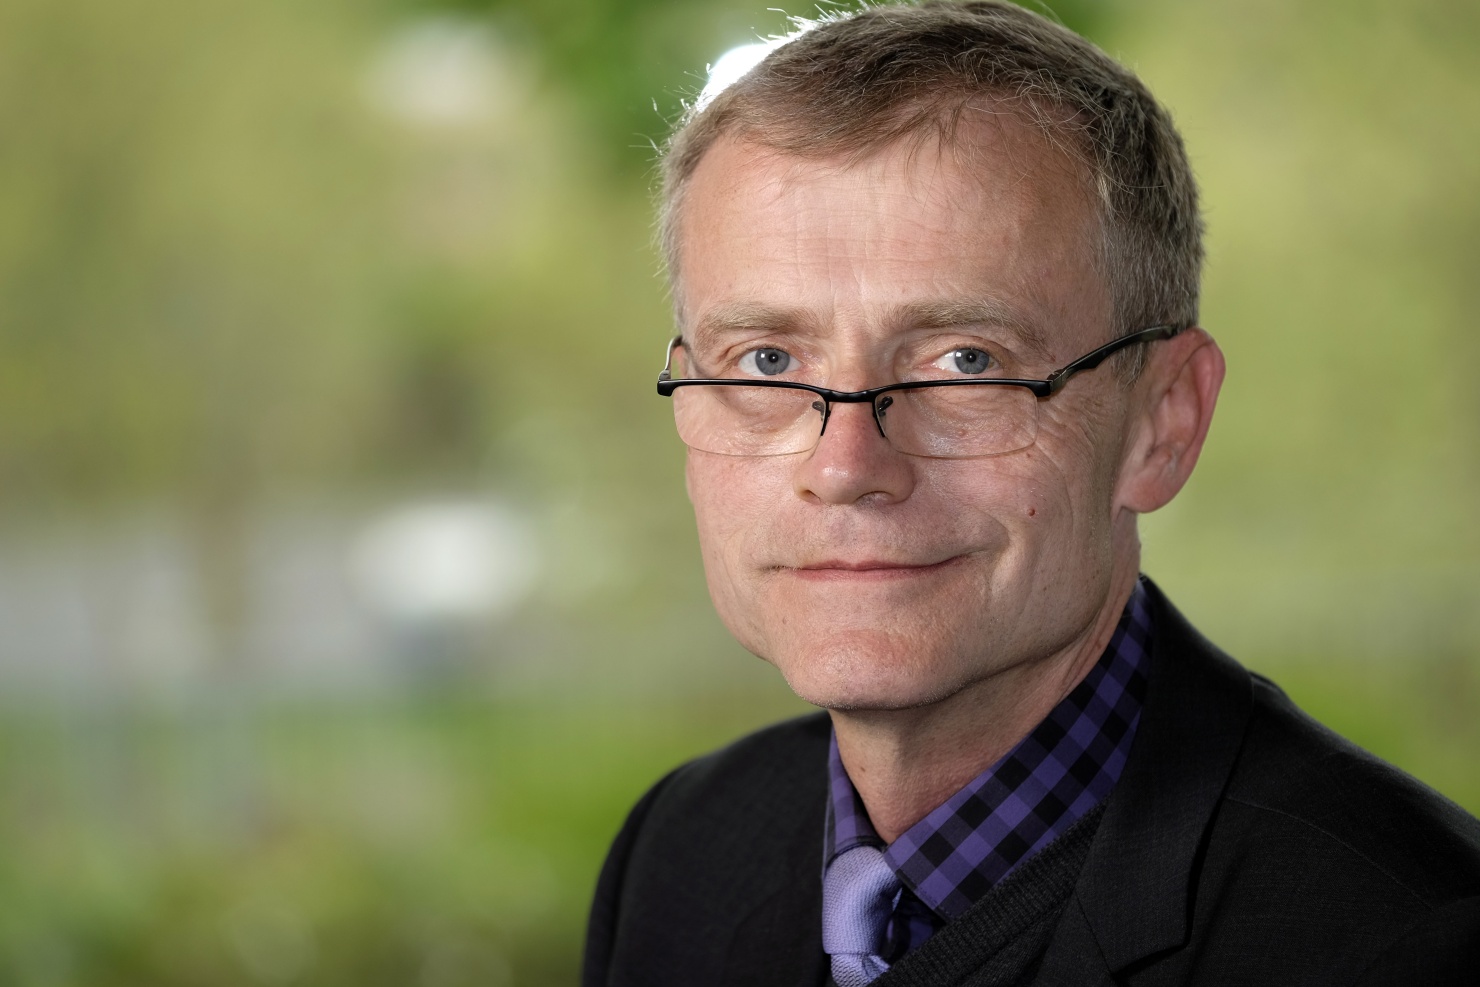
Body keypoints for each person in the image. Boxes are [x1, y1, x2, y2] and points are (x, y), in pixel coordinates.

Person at [582, 3, 1480, 984]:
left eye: (965, 361)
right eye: (766, 360)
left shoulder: (1404, 938)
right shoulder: (681, 852)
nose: (844, 467)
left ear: (1162, 421)